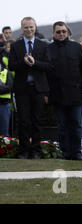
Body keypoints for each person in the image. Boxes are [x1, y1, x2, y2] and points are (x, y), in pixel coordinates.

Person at [47, 21, 82, 160]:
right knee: (62, 126)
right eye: (58, 32)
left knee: (76, 125)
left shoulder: (77, 48)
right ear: (54, 33)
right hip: (57, 94)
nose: (61, 34)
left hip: (75, 93)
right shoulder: (48, 49)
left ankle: (76, 152)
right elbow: (45, 74)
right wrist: (46, 93)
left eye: (63, 31)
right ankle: (65, 153)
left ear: (68, 32)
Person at [9, 17, 51, 159]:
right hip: (22, 89)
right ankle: (24, 150)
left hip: (38, 89)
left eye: (31, 27)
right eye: (26, 27)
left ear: (35, 27)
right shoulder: (16, 46)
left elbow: (48, 66)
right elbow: (11, 66)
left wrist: (34, 63)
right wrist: (23, 62)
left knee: (37, 121)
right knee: (23, 121)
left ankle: (36, 150)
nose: (29, 30)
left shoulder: (43, 45)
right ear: (22, 28)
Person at [0, 59, 13, 136]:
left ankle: (4, 148)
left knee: (4, 132)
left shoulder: (6, 72)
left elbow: (10, 87)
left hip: (3, 105)